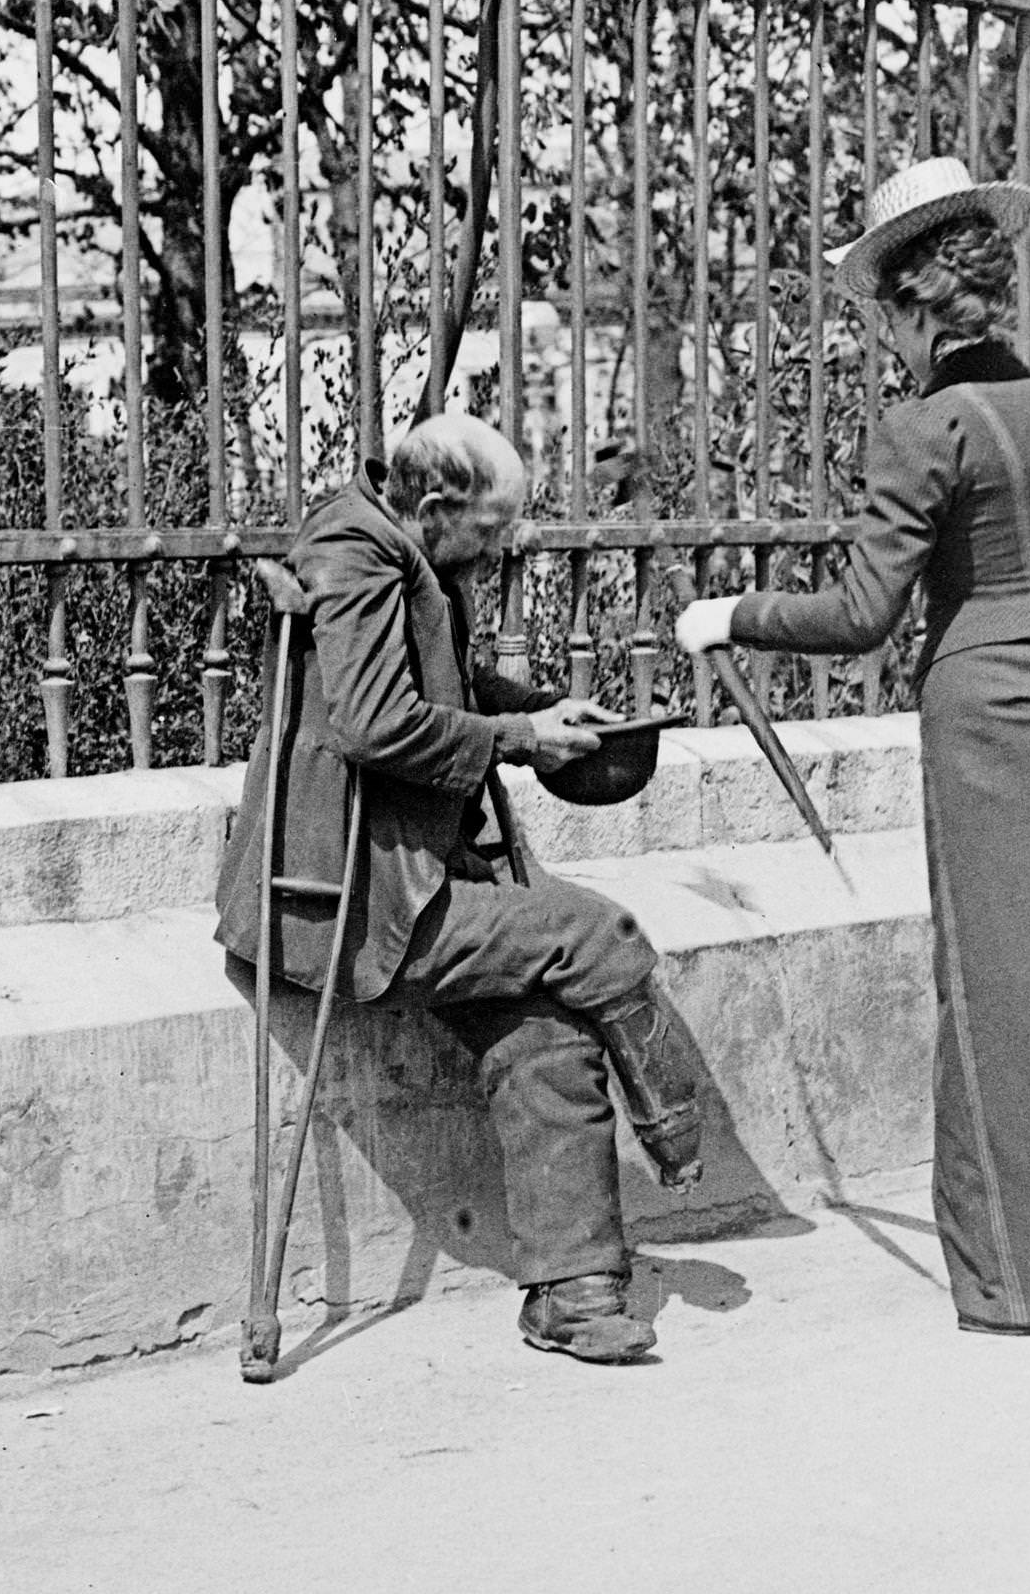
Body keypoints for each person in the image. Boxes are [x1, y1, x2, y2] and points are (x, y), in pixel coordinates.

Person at [676, 156, 1030, 1337]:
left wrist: (731, 615)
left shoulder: (921, 427)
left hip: (984, 719)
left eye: (879, 308)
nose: (880, 332)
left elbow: (860, 617)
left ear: (913, 301)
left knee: (999, 999)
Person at [216, 413, 702, 1365]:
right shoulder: (356, 554)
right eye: (487, 533)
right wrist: (518, 744)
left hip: (420, 875)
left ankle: (571, 1293)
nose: (496, 552)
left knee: (549, 1032)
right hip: (358, 900)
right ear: (435, 505)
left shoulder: (403, 541)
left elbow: (441, 681)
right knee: (599, 936)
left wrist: (534, 711)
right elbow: (371, 722)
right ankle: (678, 1139)